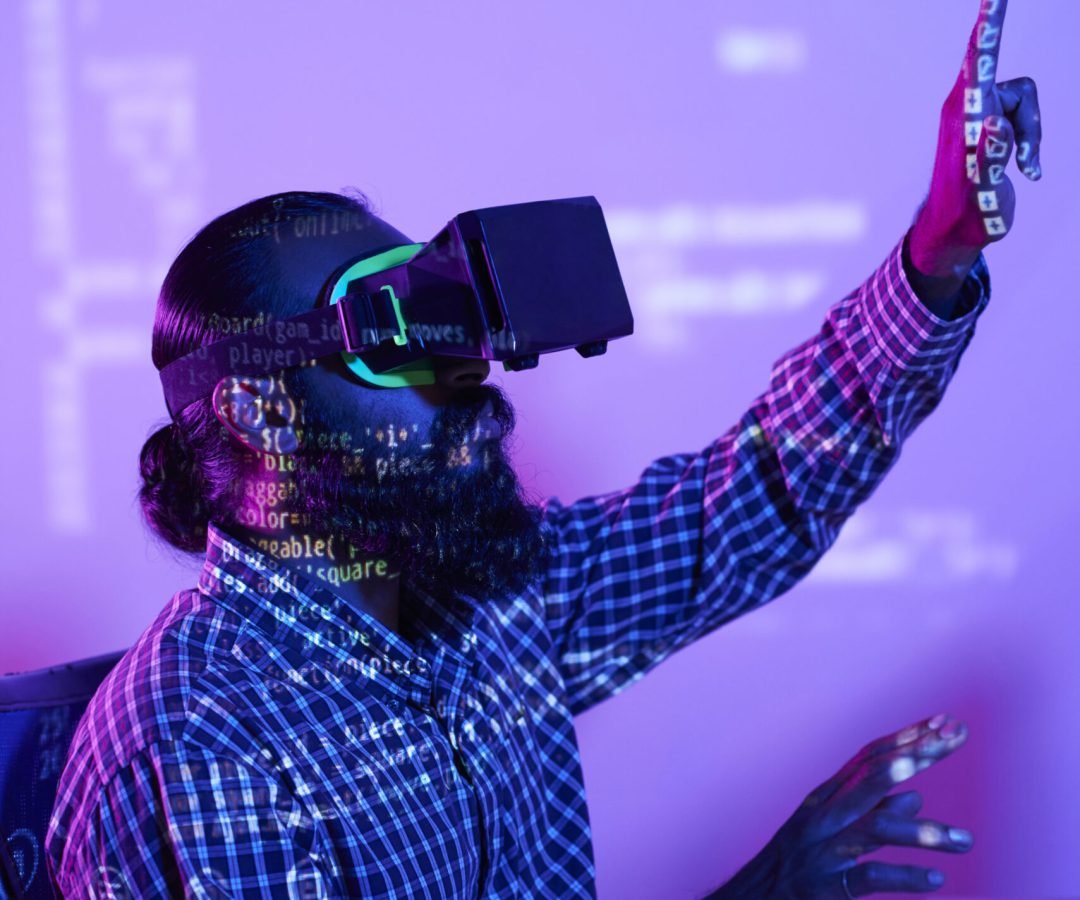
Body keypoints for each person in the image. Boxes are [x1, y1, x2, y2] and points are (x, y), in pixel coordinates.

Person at [45, 0, 1041, 895]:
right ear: (259, 413)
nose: (469, 372)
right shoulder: (202, 754)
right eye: (400, 330)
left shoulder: (491, 601)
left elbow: (754, 501)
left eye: (457, 318)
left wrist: (939, 248)